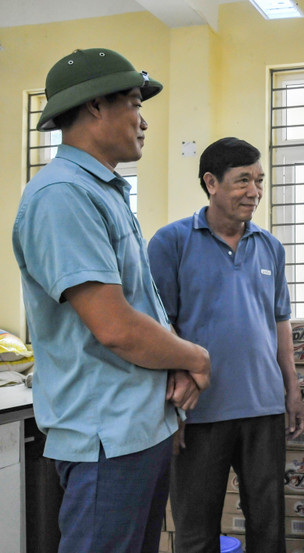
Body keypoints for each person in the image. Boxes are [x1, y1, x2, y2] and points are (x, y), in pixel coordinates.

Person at [12, 48, 211, 553]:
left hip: (138, 428)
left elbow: (142, 307)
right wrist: (195, 357)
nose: (143, 121)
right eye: (134, 104)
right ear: (95, 106)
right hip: (105, 437)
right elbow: (116, 327)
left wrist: (174, 363)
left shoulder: (104, 191)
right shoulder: (62, 196)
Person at [148, 137, 304, 553]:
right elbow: (160, 328)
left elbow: (280, 322)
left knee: (268, 530)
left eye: (259, 180)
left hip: (263, 409)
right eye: (242, 181)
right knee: (196, 532)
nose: (254, 191)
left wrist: (291, 389)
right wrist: (170, 408)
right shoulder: (171, 243)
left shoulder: (270, 247)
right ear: (211, 183)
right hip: (200, 412)